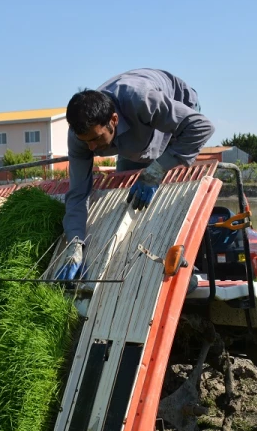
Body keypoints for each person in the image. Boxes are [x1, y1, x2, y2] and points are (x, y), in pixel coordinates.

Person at [56, 68, 215, 279]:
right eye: (86, 142)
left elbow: (201, 127)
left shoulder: (142, 100)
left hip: (175, 116)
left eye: (96, 139)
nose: (91, 148)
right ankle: (132, 270)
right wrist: (75, 243)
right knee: (129, 199)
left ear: (113, 120)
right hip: (134, 141)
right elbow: (78, 192)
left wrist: (157, 170)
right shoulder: (80, 136)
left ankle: (186, 272)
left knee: (169, 197)